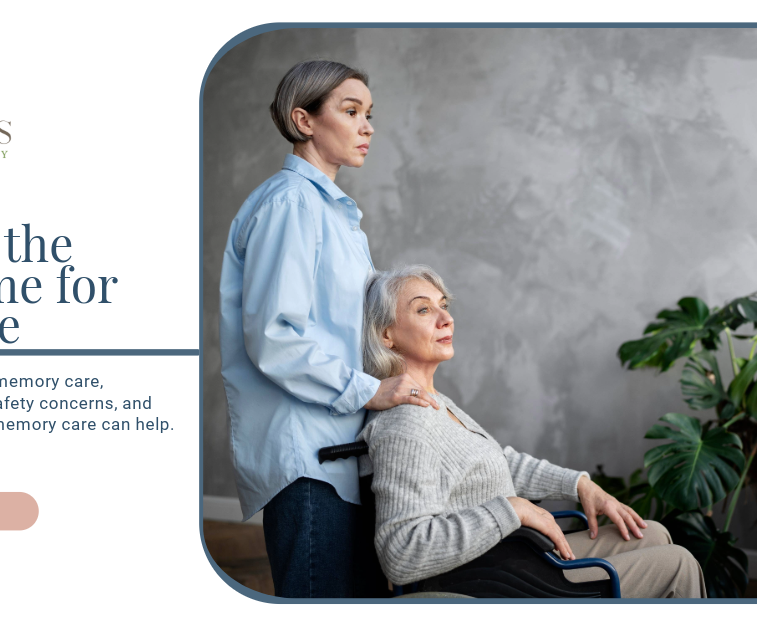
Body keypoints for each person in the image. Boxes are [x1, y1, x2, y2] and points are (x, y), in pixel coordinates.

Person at [219, 60, 437, 598]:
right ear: (304, 120)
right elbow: (274, 336)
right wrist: (372, 389)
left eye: (369, 114)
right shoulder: (290, 204)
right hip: (308, 459)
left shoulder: (336, 216)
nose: (367, 126)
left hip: (341, 451)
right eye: (350, 111)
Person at [358, 265, 706, 598]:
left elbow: (497, 462)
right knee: (679, 566)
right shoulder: (404, 423)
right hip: (496, 577)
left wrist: (579, 484)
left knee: (652, 534)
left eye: (444, 306)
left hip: (517, 556)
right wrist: (512, 509)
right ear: (386, 334)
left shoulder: (437, 403)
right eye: (423, 310)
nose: (446, 318)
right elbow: (402, 553)